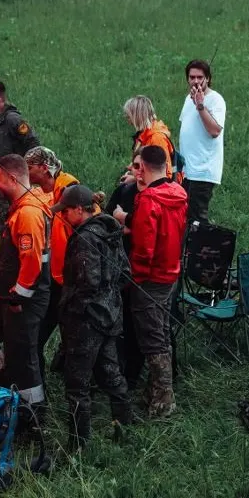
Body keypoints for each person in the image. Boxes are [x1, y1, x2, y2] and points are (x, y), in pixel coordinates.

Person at [52, 185, 132, 449]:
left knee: (77, 385)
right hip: (110, 314)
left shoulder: (85, 238)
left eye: (65, 211)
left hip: (86, 321)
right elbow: (125, 273)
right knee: (112, 376)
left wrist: (72, 310)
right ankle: (124, 430)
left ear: (78, 209)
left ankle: (77, 445)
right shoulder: (110, 230)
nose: (62, 216)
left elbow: (86, 282)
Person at [0, 154, 52, 411]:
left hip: (22, 302)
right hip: (6, 297)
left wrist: (18, 298)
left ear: (13, 178)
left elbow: (31, 262)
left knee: (23, 358)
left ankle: (33, 417)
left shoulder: (28, 213)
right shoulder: (21, 207)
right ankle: (8, 387)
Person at [129, 145, 188, 418]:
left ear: (142, 168)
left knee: (153, 340)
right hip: (171, 273)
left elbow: (144, 247)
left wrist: (135, 278)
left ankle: (164, 400)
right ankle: (154, 392)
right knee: (161, 333)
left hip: (150, 279)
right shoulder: (178, 193)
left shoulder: (148, 201)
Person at [24, 146, 81, 376]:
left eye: (29, 167)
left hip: (70, 280)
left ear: (44, 168)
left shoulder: (69, 189)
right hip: (56, 279)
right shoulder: (54, 192)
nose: (26, 172)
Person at [0, 81, 41, 232]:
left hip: (10, 178)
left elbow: (33, 143)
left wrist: (23, 168)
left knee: (4, 216)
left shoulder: (13, 120)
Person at [108, 151, 146, 390]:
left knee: (141, 323)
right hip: (122, 264)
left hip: (146, 269)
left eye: (140, 166)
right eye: (133, 166)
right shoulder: (125, 191)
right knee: (122, 320)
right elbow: (108, 218)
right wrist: (123, 226)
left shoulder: (157, 195)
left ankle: (138, 374)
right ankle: (123, 372)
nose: (135, 171)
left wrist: (127, 223)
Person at [178, 59, 225, 224]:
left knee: (197, 219)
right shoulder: (187, 99)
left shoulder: (215, 100)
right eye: (192, 77)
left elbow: (215, 131)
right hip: (186, 170)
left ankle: (205, 249)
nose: (196, 81)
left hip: (203, 170)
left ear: (208, 79)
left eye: (200, 77)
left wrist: (200, 105)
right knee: (184, 216)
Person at [124, 95, 176, 179]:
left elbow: (165, 175)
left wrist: (134, 179)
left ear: (138, 116)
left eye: (129, 115)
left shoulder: (157, 138)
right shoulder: (143, 135)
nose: (126, 117)